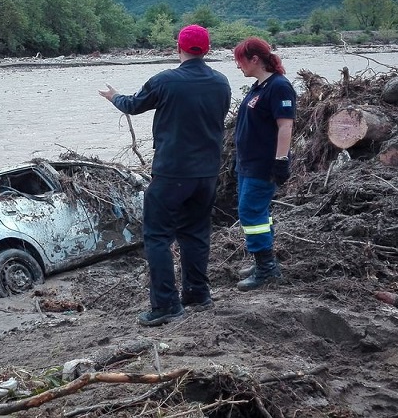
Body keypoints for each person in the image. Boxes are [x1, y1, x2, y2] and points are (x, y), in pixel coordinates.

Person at [98, 25, 232, 326]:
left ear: (178, 48)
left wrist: (113, 96)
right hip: (208, 172)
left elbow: (133, 105)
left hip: (172, 172)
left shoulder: (166, 81)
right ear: (207, 50)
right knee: (195, 233)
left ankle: (165, 304)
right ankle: (197, 293)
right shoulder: (221, 82)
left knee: (157, 236)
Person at [231, 36, 296, 291]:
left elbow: (285, 125)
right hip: (247, 163)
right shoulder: (259, 86)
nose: (238, 66)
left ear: (255, 59)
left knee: (251, 212)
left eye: (240, 60)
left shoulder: (279, 86)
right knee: (258, 214)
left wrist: (280, 160)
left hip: (263, 164)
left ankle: (266, 268)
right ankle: (264, 261)